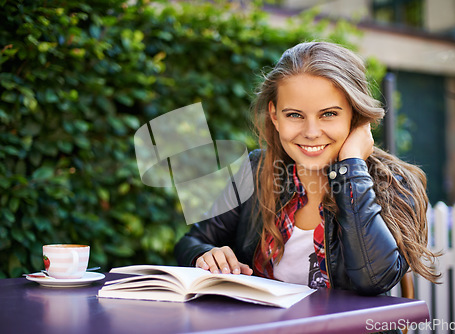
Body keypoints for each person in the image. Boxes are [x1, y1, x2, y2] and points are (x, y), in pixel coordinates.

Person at [174, 41, 440, 295]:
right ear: (275, 116)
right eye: (294, 115)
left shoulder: (396, 183)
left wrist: (351, 168)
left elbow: (374, 280)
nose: (311, 132)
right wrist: (205, 256)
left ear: (355, 116)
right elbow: (191, 242)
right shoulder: (256, 170)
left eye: (329, 114)